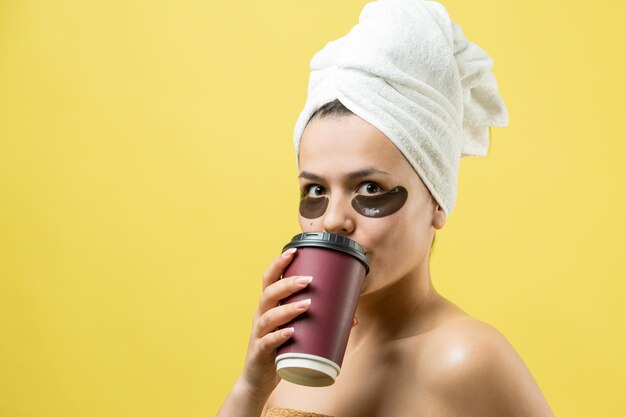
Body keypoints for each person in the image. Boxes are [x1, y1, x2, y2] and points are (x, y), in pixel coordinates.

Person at [217, 1, 554, 416]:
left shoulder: (465, 358)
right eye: (316, 190)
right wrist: (251, 386)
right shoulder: (288, 359)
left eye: (370, 187)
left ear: (436, 201)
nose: (333, 220)